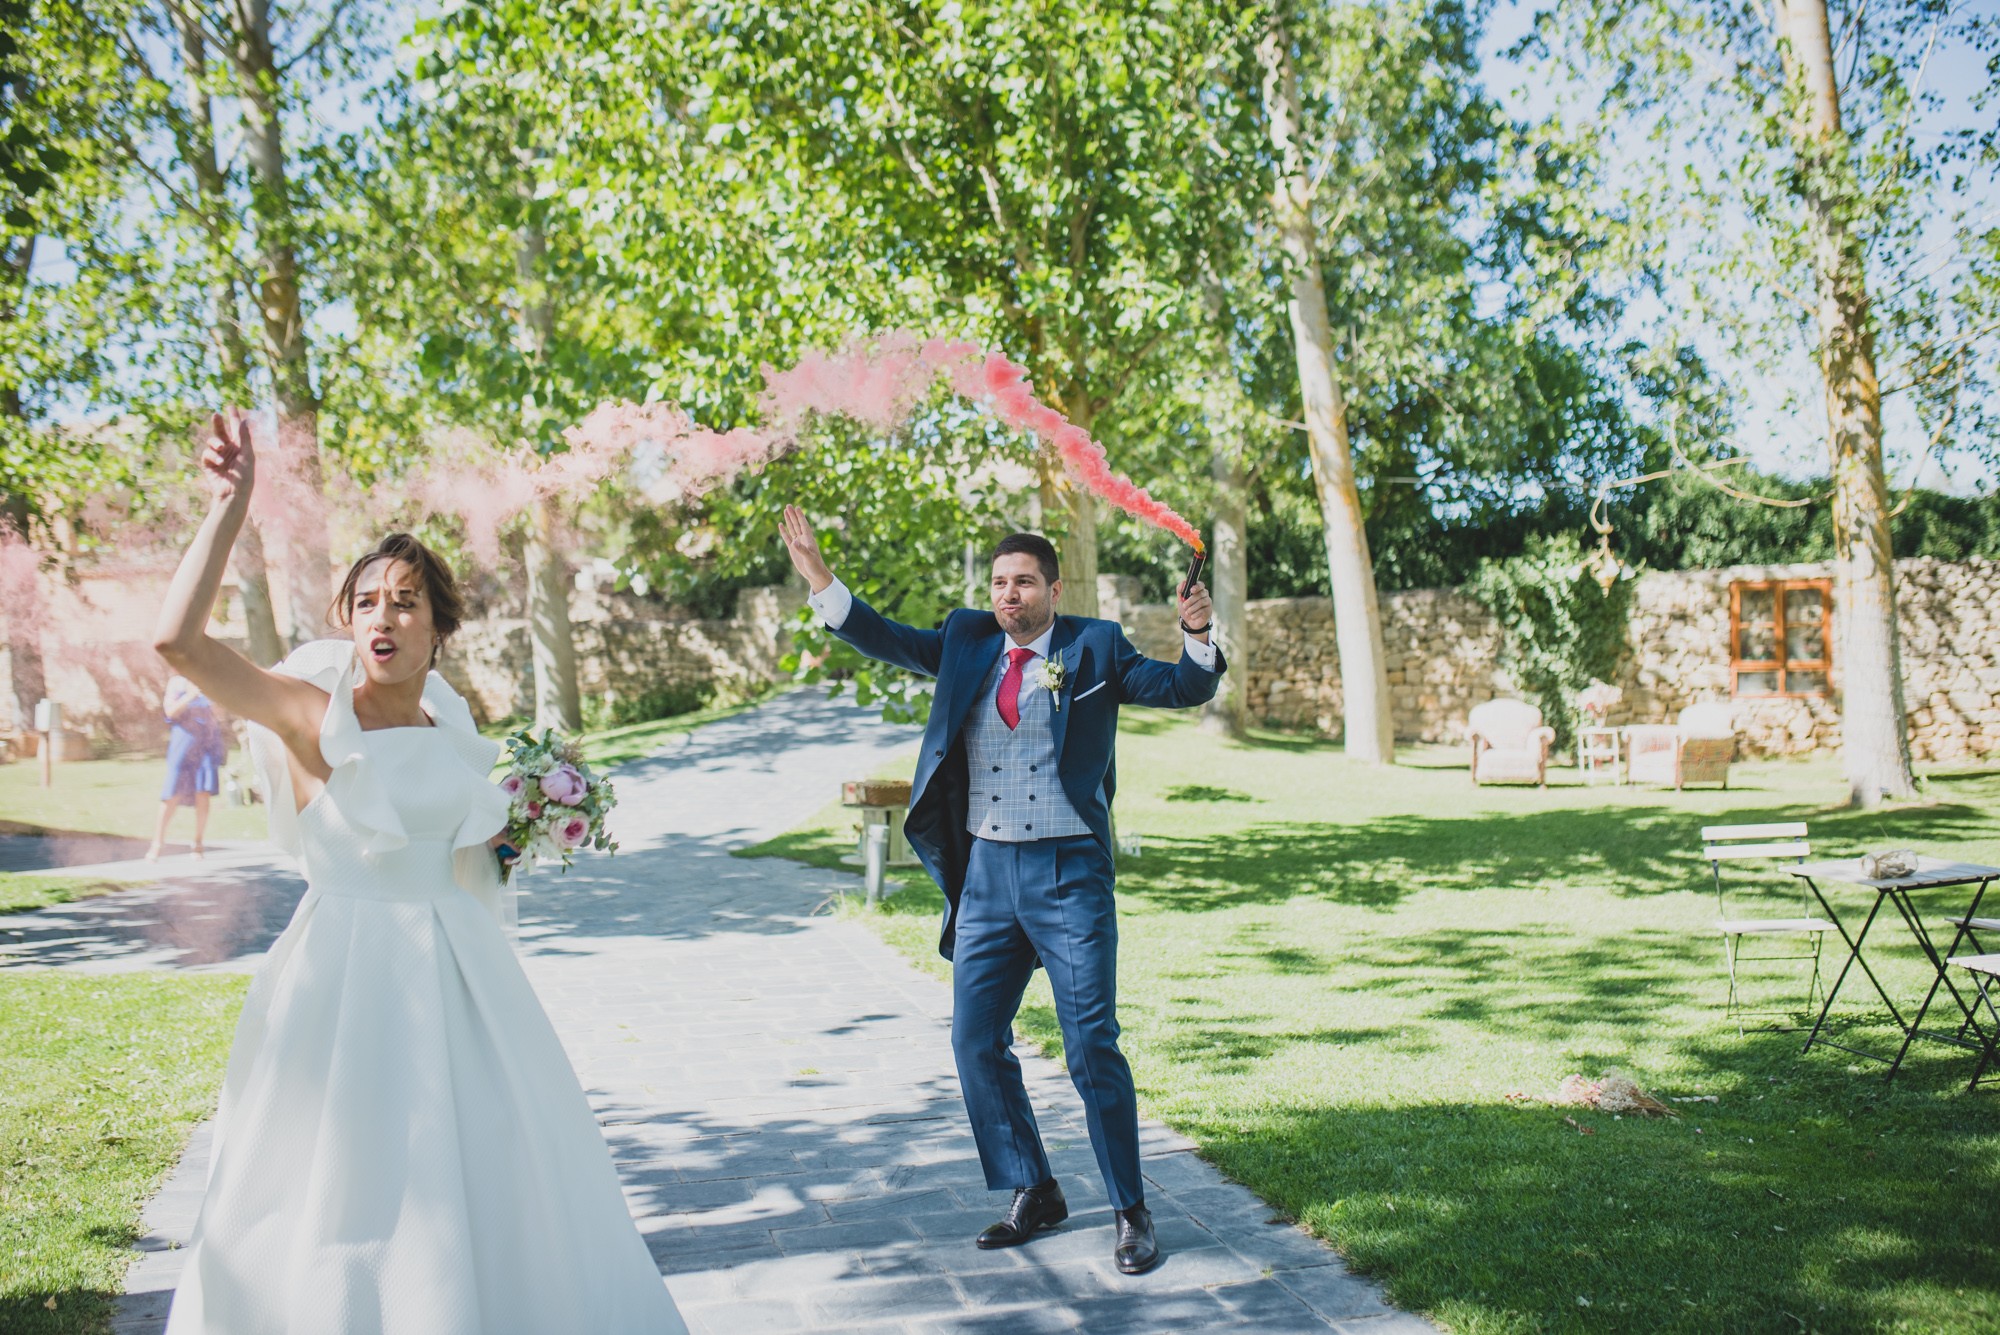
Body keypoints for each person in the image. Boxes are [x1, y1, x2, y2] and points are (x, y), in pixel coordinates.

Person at [153, 410, 684, 1334]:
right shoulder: (310, 716)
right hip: (343, 981)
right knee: (336, 1185)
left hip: (464, 980)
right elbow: (179, 646)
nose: (382, 617)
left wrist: (523, 837)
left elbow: (478, 852)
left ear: (440, 624)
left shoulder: (463, 740)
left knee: (496, 1169)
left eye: (404, 600)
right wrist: (229, 506)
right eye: (365, 602)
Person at [780, 506, 1223, 1276]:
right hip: (986, 877)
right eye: (998, 583)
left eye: (1023, 582)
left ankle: (1131, 1209)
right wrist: (822, 580)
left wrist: (1196, 635)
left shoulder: (1096, 646)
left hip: (1068, 874)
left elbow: (1182, 686)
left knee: (1091, 1045)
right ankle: (1034, 1187)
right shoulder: (966, 638)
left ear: (1054, 586)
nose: (1008, 595)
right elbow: (887, 637)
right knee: (974, 1038)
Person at [148, 674, 226, 860]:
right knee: (172, 792)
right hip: (183, 742)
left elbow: (220, 715)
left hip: (206, 742)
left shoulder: (211, 681)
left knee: (203, 791)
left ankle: (198, 843)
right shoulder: (177, 682)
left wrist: (214, 699)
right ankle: (157, 843)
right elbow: (170, 712)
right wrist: (191, 695)